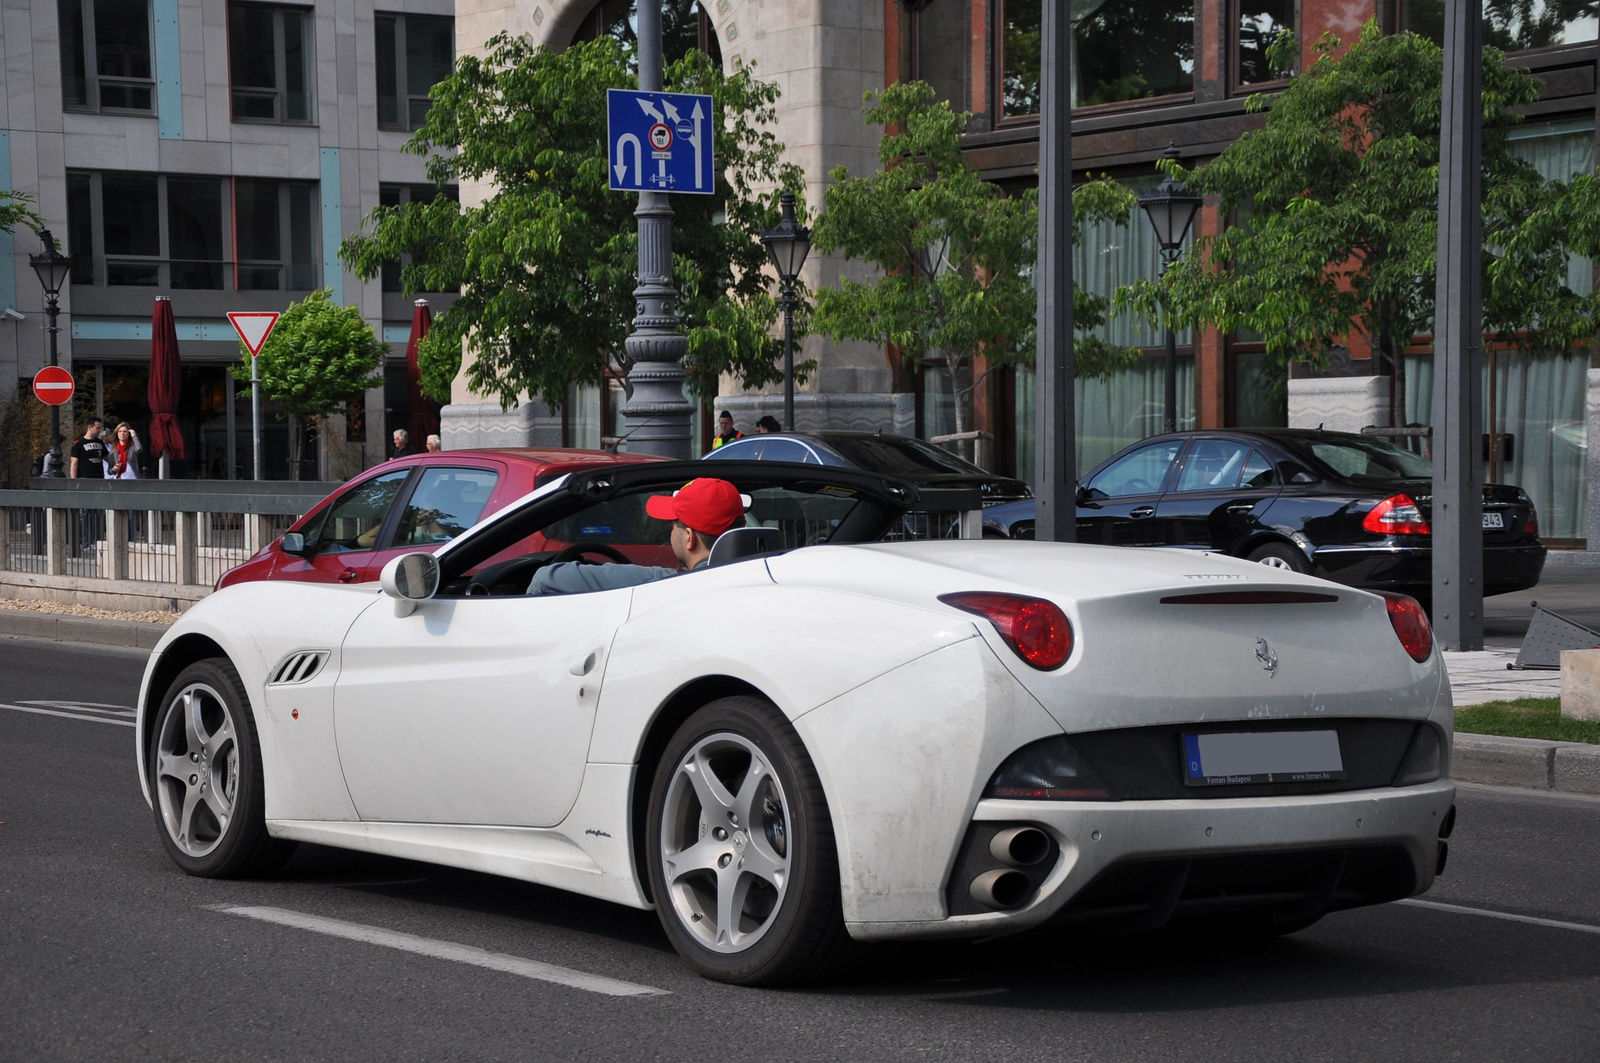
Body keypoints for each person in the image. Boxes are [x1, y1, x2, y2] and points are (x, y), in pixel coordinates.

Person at [527, 477, 747, 596]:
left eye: (673, 526)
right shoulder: (765, 576)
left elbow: (546, 579)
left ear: (689, 538)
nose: (671, 533)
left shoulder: (664, 585)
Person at [69, 418, 106, 555]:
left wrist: (113, 468)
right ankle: (86, 541)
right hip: (84, 480)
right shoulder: (79, 444)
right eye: (98, 427)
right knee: (84, 513)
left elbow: (107, 459)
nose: (100, 430)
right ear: (90, 427)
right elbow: (74, 463)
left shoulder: (100, 443)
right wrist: (74, 482)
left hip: (98, 480)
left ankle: (94, 541)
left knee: (95, 512)